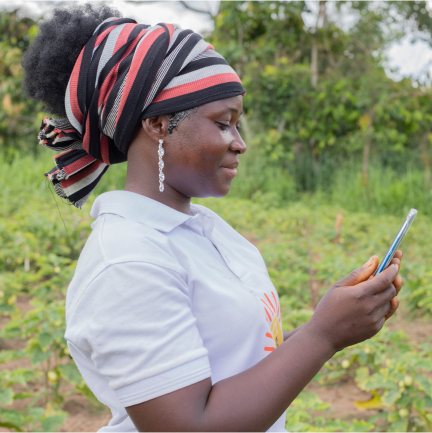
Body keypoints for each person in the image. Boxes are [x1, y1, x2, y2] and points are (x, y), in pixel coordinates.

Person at [22, 4, 403, 433]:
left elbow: (239, 366)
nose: (240, 143)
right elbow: (191, 424)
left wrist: (329, 320)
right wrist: (323, 337)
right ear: (158, 123)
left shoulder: (205, 229)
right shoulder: (127, 262)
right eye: (224, 123)